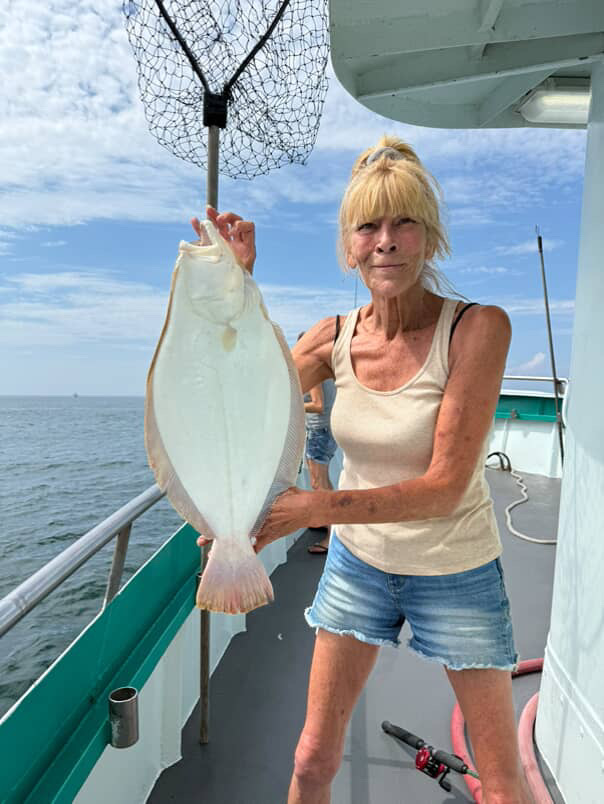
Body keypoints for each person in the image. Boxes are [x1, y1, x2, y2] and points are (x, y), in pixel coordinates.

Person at [193, 136, 533, 804]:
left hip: (456, 571)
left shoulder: (477, 329)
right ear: (350, 245)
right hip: (358, 566)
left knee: (499, 781)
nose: (386, 240)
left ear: (429, 237)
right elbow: (243, 398)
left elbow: (442, 489)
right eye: (368, 225)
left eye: (404, 221)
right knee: (313, 759)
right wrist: (238, 286)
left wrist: (307, 510)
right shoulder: (332, 337)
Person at [298, 331, 337, 554]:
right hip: (326, 429)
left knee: (319, 484)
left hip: (319, 430)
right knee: (322, 482)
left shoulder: (315, 370)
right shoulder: (329, 369)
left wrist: (291, 402)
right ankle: (327, 523)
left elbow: (318, 404)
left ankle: (331, 538)